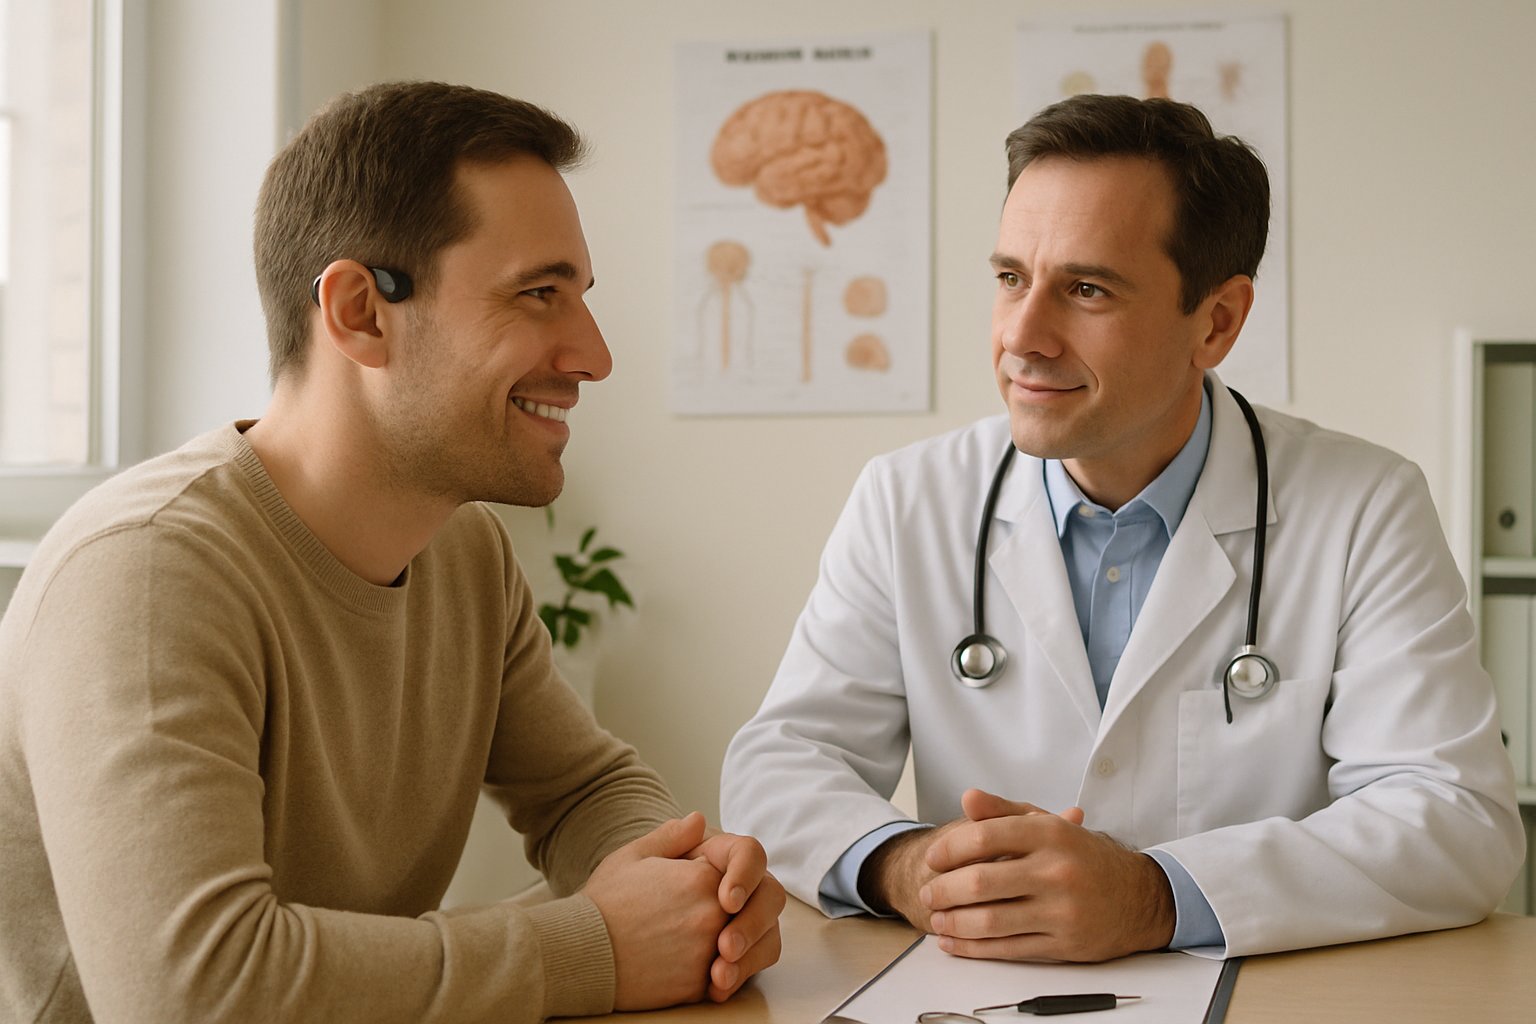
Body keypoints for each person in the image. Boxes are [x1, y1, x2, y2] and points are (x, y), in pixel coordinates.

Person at [0, 81, 783, 1024]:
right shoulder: (148, 573)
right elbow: (191, 992)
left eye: (579, 296)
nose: (592, 354)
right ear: (362, 313)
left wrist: (697, 888)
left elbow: (584, 789)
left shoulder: (464, 552)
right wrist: (594, 951)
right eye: (539, 294)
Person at [720, 93, 1524, 962]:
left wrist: (1154, 898)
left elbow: (1456, 820)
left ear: (1216, 321)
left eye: (1087, 289)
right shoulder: (907, 499)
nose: (1022, 337)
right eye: (1009, 278)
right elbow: (781, 764)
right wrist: (909, 865)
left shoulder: (1364, 505)